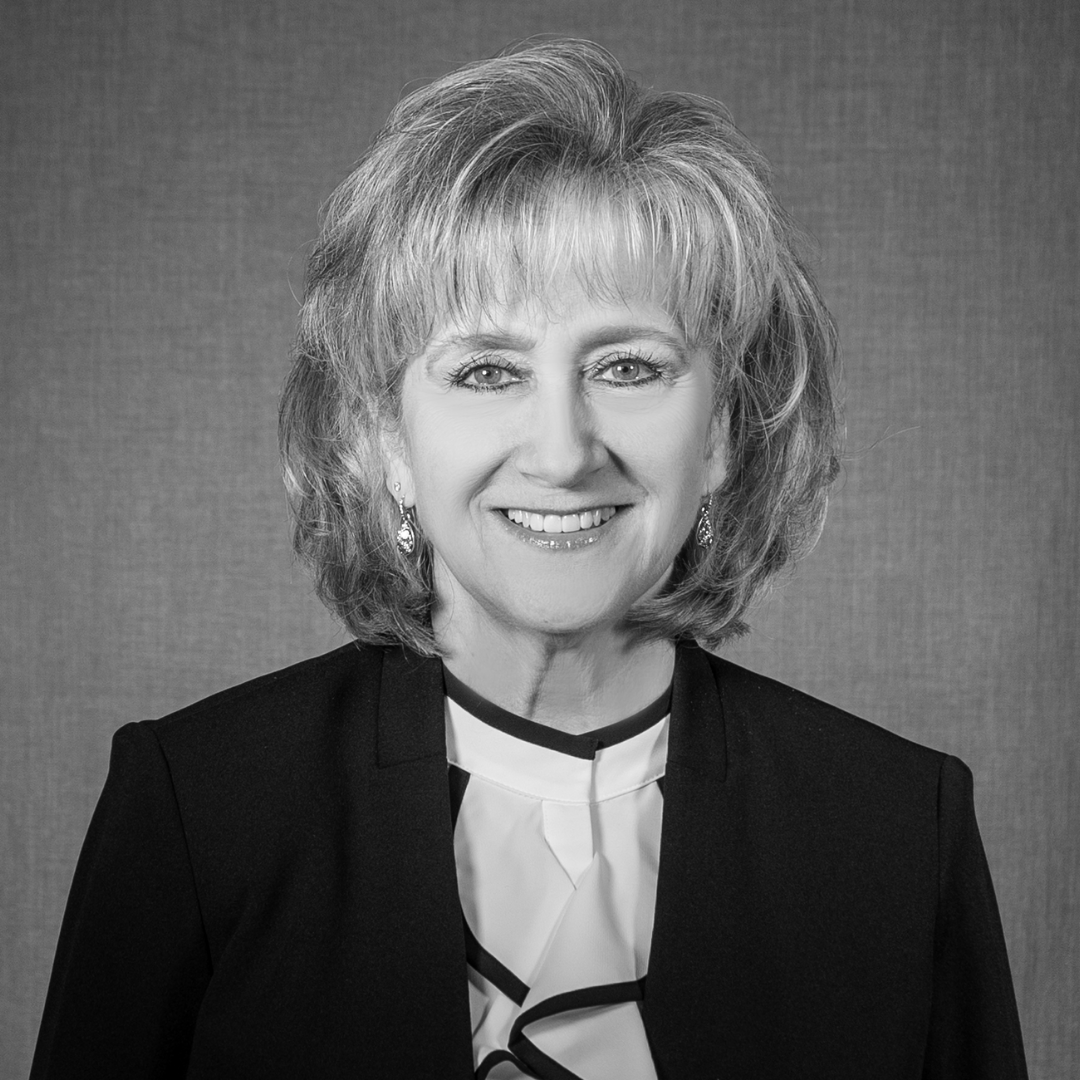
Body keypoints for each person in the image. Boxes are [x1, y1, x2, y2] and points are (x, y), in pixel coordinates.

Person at [31, 39, 1027, 1080]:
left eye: (629, 366)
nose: (562, 451)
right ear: (382, 440)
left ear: (723, 431)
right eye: (488, 369)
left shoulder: (897, 831)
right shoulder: (201, 807)